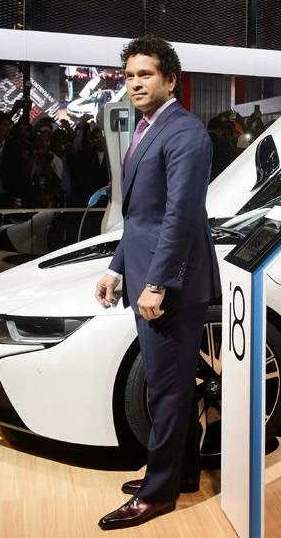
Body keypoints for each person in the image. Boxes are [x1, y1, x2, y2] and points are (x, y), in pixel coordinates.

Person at [94, 35, 220, 530]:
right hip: (146, 272)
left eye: (145, 74)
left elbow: (181, 216)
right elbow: (140, 218)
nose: (135, 83)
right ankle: (183, 472)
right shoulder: (148, 129)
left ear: (171, 80)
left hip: (171, 285)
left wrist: (159, 282)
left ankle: (159, 492)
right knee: (172, 386)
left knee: (163, 391)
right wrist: (118, 267)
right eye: (129, 76)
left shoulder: (185, 133)